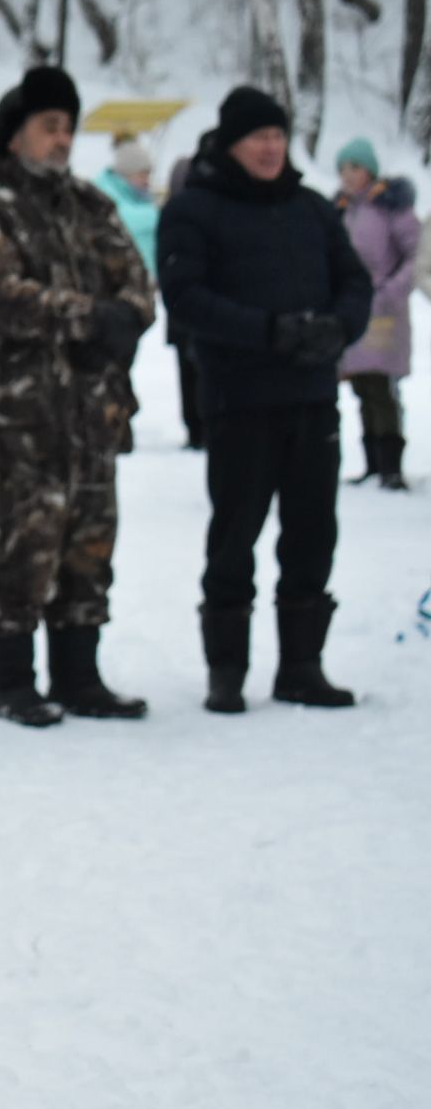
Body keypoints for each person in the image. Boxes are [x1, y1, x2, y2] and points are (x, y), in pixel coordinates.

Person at [0, 65, 155, 726]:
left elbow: (138, 288)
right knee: (25, 540)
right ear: (16, 135)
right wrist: (87, 317)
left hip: (94, 407)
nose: (62, 139)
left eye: (68, 127)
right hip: (21, 412)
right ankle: (11, 677)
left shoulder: (90, 204)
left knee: (91, 537)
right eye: (49, 126)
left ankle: (79, 671)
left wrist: (120, 321)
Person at [158, 87, 371, 712]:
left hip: (311, 396)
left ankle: (302, 664)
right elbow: (185, 296)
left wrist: (338, 327)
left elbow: (355, 281)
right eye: (259, 137)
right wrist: (269, 331)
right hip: (239, 398)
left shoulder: (311, 208)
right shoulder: (195, 209)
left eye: (278, 135)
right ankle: (227, 669)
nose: (271, 146)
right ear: (232, 143)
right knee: (235, 535)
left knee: (312, 532)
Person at [333, 136, 418, 490]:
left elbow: (416, 257)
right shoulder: (341, 208)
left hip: (385, 312)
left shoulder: (391, 207)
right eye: (342, 169)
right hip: (353, 309)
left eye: (354, 167)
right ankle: (371, 461)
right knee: (362, 386)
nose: (348, 176)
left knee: (383, 388)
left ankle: (391, 465)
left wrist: (389, 292)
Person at [165, 154, 205, 449]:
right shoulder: (183, 214)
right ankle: (197, 427)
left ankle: (196, 427)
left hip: (185, 310)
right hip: (187, 310)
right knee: (193, 369)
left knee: (191, 369)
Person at [97, 138, 159, 276]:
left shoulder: (138, 197)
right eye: (142, 174)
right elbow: (124, 219)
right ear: (127, 173)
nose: (146, 181)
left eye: (148, 175)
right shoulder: (104, 191)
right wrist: (161, 214)